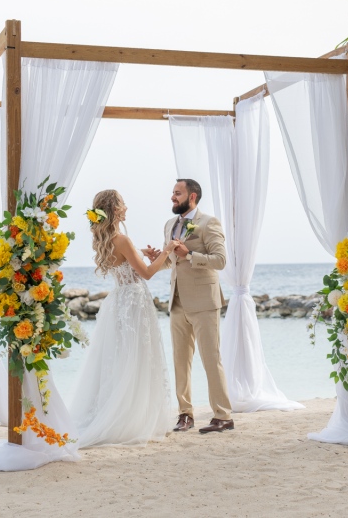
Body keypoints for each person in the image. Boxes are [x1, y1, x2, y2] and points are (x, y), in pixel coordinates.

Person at [70, 190, 177, 446]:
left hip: (119, 301)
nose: (126, 207)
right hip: (134, 302)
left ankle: (126, 412)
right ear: (115, 210)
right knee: (137, 356)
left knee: (122, 357)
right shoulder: (123, 240)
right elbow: (148, 273)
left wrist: (141, 253)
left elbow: (126, 262)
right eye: (123, 203)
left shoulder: (106, 240)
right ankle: (134, 418)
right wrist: (167, 250)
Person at [145, 179, 234, 434]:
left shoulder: (209, 223)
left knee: (211, 359)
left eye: (177, 193)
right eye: (172, 192)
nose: (172, 197)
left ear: (192, 196)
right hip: (177, 302)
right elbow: (172, 262)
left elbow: (220, 260)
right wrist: (158, 258)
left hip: (205, 303)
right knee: (180, 361)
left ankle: (223, 416)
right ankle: (185, 415)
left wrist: (190, 255)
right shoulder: (169, 225)